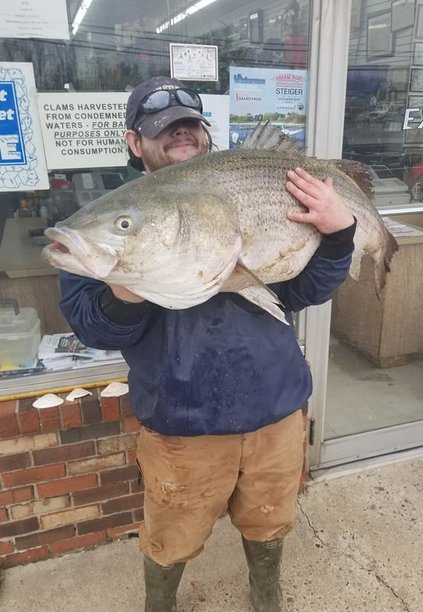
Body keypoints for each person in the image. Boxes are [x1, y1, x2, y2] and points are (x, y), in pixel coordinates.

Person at [59, 75, 356, 612]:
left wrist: (339, 236)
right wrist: (124, 285)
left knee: (269, 520)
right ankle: (161, 604)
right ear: (134, 143)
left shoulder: (248, 186)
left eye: (189, 128)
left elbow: (305, 290)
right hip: (181, 421)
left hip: (277, 407)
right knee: (172, 534)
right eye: (164, 132)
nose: (180, 138)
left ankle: (266, 593)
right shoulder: (110, 224)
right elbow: (93, 329)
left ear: (205, 134)